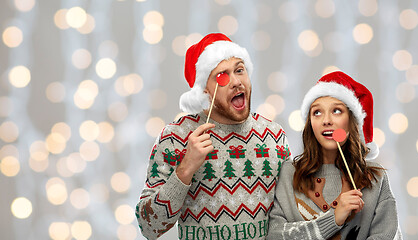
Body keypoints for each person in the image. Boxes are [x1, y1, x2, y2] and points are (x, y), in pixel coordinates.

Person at [135, 33, 291, 240]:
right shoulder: (174, 137)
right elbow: (149, 227)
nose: (236, 82)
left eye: (239, 70)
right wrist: (185, 169)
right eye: (222, 76)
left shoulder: (274, 136)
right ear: (205, 90)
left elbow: (290, 216)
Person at [267, 71, 402, 239]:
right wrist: (334, 219)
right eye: (317, 112)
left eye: (337, 111)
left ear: (352, 121)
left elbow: (387, 235)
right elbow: (275, 235)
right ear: (310, 123)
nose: (326, 120)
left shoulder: (376, 178)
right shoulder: (289, 173)